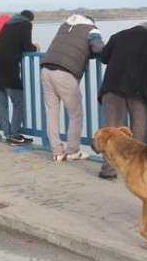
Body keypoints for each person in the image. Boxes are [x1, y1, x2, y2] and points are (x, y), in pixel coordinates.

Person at [97, 22, 147, 179]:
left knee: (112, 130)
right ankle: (139, 169)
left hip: (112, 87)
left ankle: (109, 169)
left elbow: (104, 58)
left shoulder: (117, 36)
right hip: (138, 89)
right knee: (139, 129)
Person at [40, 14, 105, 162]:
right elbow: (99, 48)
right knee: (76, 114)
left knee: (51, 112)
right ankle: (72, 151)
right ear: (91, 22)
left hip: (46, 69)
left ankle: (57, 152)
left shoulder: (64, 27)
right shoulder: (91, 29)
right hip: (65, 72)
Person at [0, 10, 39, 146]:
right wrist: (35, 47)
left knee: (1, 104)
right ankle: (15, 135)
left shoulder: (8, 24)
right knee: (18, 103)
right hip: (8, 69)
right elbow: (26, 46)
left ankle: (8, 134)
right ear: (30, 19)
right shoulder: (26, 24)